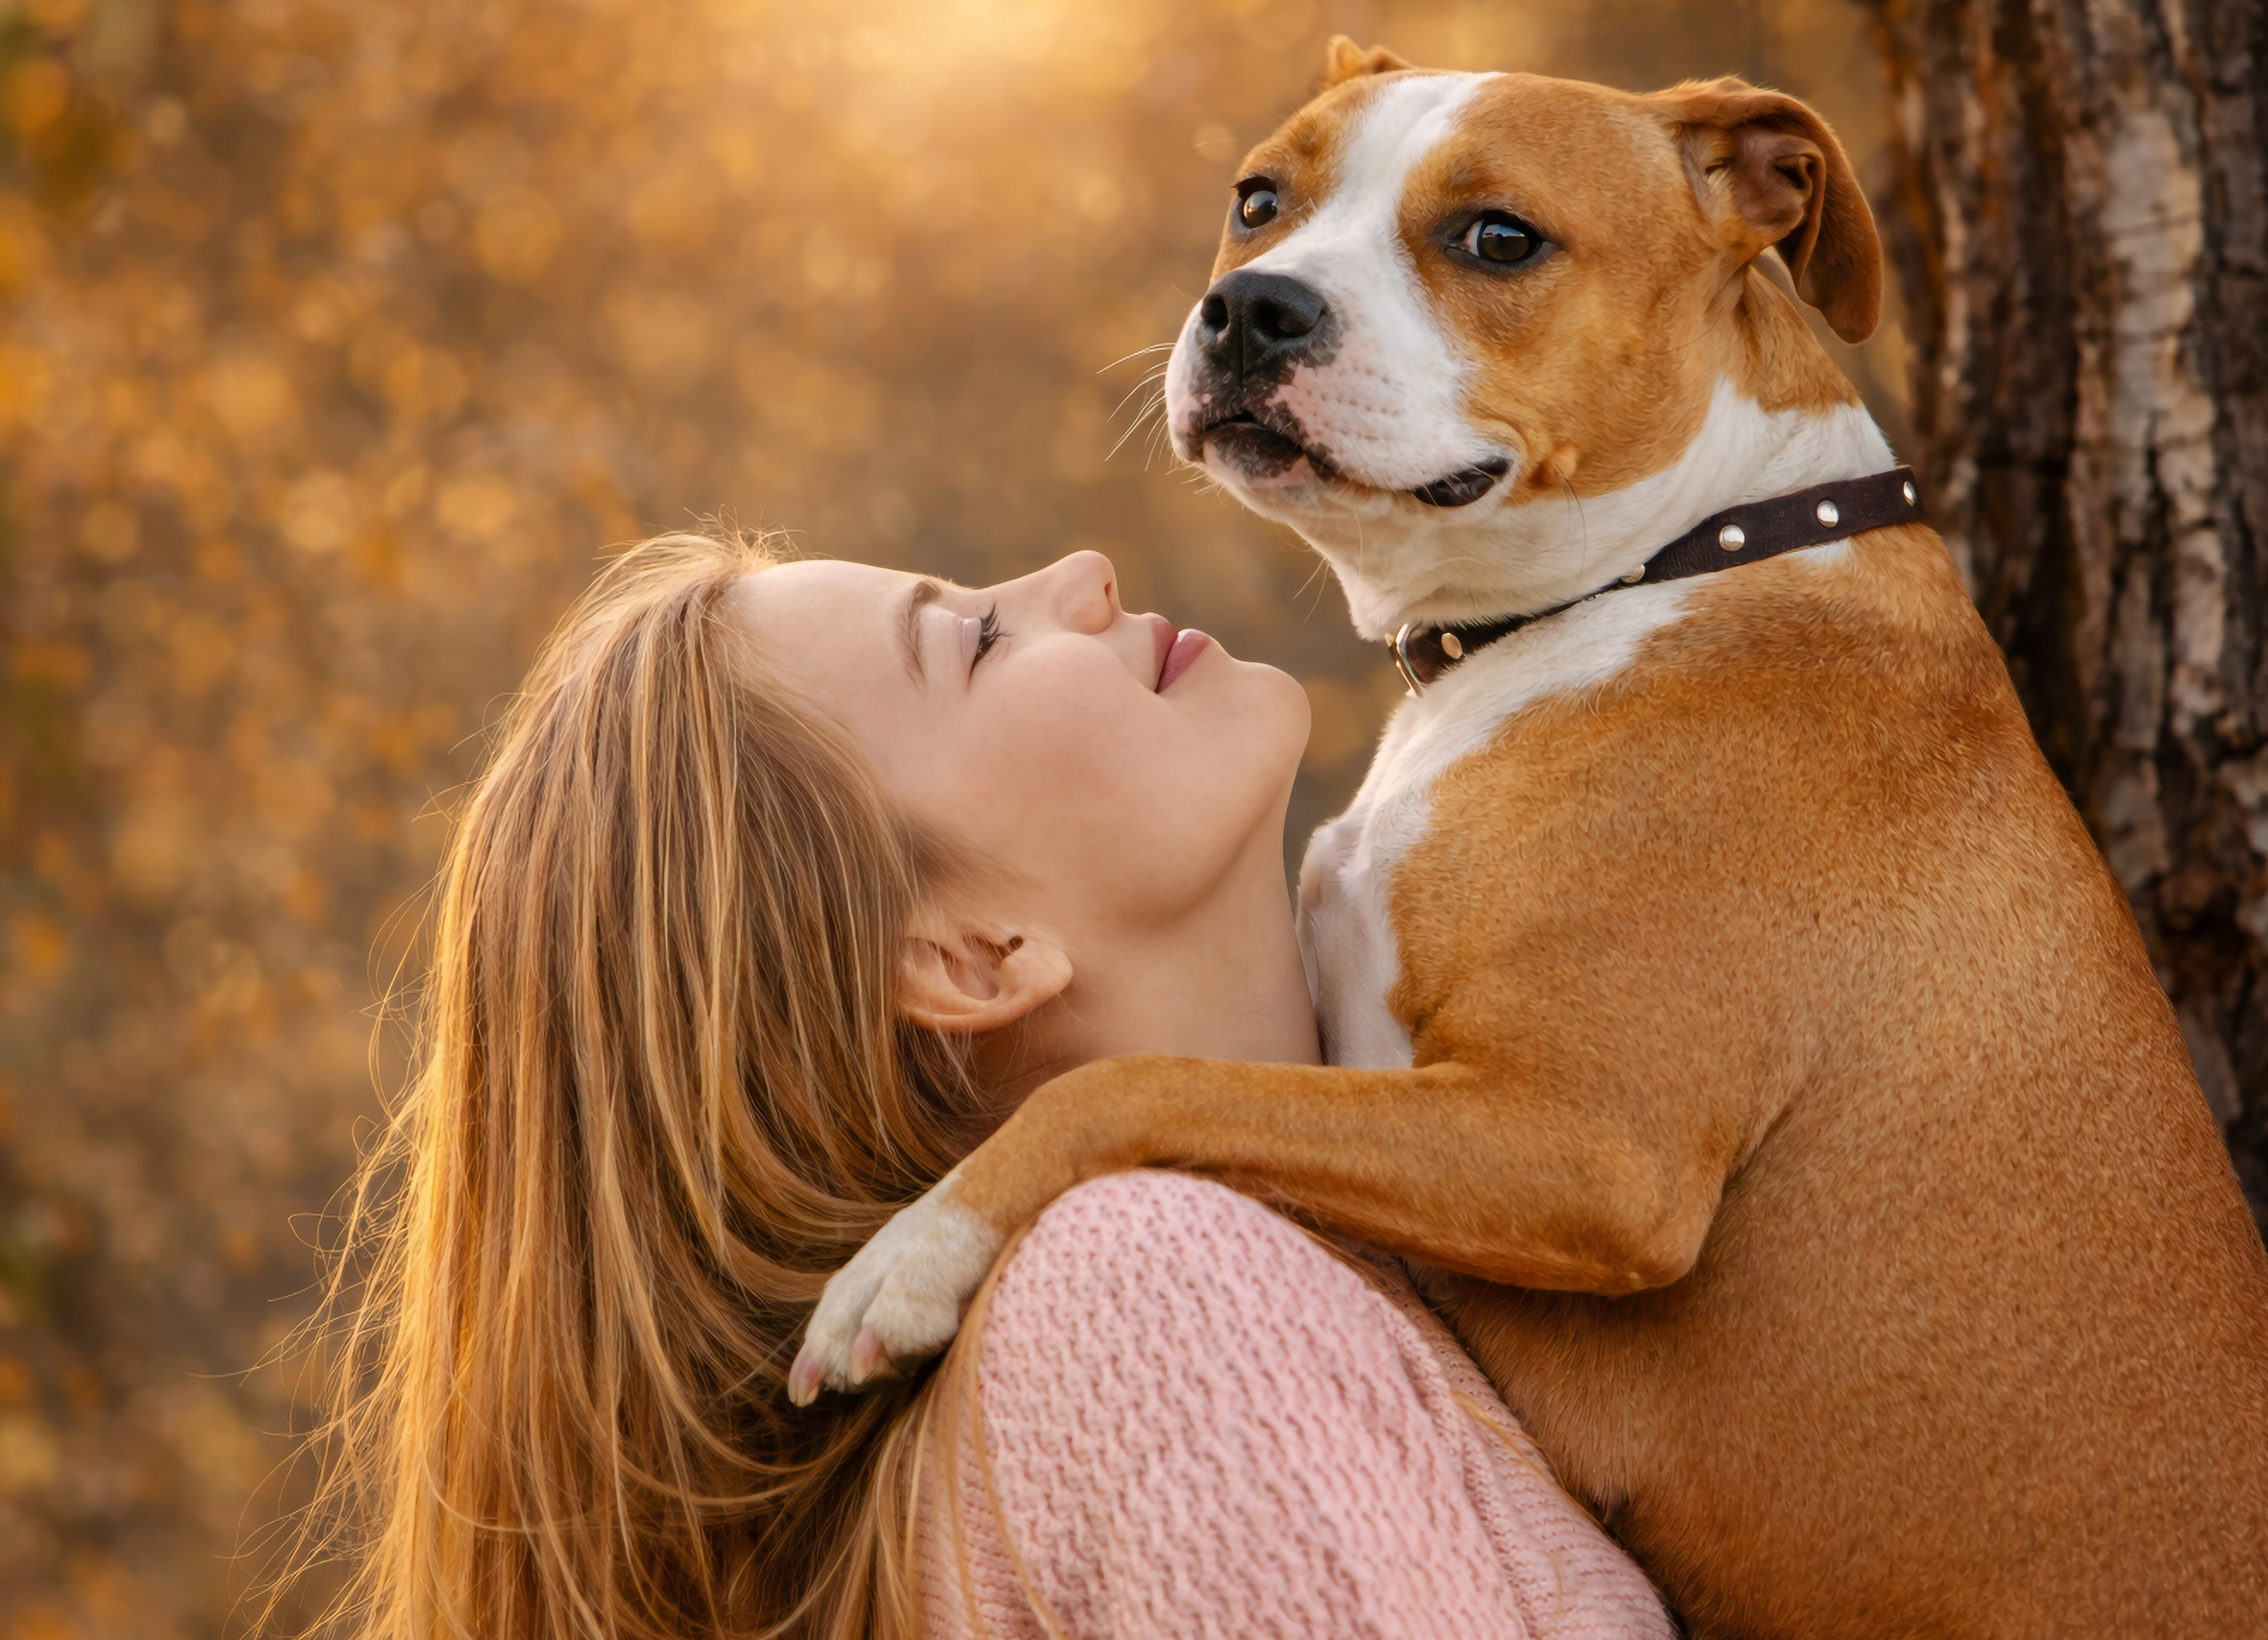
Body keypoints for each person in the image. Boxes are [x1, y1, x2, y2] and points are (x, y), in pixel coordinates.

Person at [295, 529, 1673, 1640]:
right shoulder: (1156, 1306)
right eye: (976, 640)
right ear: (968, 956)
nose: (1083, 576)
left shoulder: (1344, 1261)